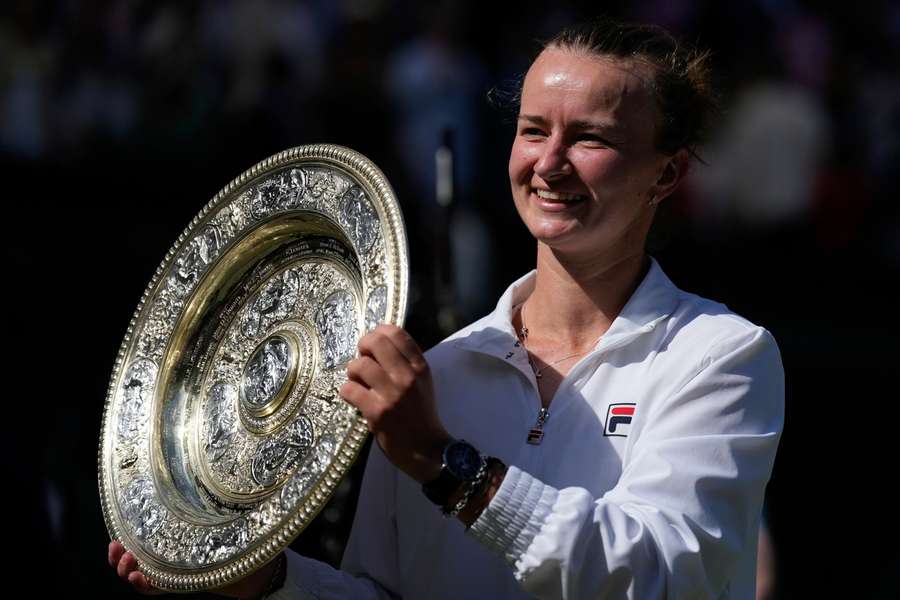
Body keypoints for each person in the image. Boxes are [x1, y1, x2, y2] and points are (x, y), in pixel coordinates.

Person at [110, 17, 784, 599]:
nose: (550, 162)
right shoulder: (440, 372)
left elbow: (656, 578)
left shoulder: (720, 355)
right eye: (532, 130)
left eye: (590, 139)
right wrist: (265, 584)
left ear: (666, 174)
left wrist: (444, 463)